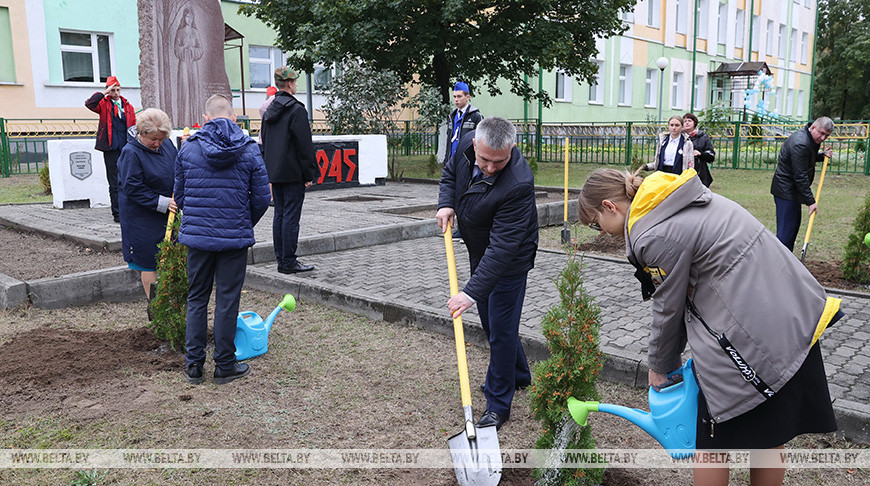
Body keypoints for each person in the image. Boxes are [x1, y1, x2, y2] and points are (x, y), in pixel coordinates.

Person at [578, 167, 842, 486]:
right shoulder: (668, 200)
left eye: (596, 224)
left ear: (610, 206)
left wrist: (660, 367)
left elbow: (668, 307)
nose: (602, 232)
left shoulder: (653, 231)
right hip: (786, 313)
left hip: (752, 333)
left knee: (711, 442)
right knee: (772, 433)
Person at [436, 117, 538, 431]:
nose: (490, 168)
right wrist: (445, 204)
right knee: (493, 323)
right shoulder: (467, 143)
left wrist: (469, 292)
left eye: (499, 161)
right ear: (476, 145)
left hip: (510, 259)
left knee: (501, 329)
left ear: (513, 149)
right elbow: (451, 173)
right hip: (479, 248)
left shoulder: (519, 183)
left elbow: (503, 248)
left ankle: (498, 404)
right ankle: (519, 375)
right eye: (484, 160)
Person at [174, 94, 271, 385]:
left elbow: (180, 195)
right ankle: (224, 365)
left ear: (205, 118)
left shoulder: (188, 149)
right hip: (233, 240)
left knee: (197, 299)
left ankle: (194, 366)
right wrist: (242, 224)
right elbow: (263, 198)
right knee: (227, 301)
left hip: (198, 239)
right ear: (233, 118)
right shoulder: (250, 149)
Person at [117, 108, 177, 314]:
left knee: (169, 257)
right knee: (148, 261)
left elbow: (177, 169)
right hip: (141, 217)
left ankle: (173, 303)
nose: (157, 144)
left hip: (168, 213)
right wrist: (162, 202)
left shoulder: (167, 145)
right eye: (153, 139)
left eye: (161, 139)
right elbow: (132, 187)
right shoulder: (130, 153)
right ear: (141, 133)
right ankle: (156, 307)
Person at [261, 66, 318, 274]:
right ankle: (289, 262)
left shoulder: (269, 111)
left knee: (280, 215)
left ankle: (281, 259)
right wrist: (309, 173)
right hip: (293, 173)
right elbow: (304, 146)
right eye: (295, 82)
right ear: (291, 84)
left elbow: (264, 142)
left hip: (275, 172)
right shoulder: (297, 110)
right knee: (291, 217)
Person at [770, 117, 834, 251]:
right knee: (786, 234)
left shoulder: (808, 138)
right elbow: (800, 176)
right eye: (821, 133)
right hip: (786, 191)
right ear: (813, 128)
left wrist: (821, 156)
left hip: (792, 192)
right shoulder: (801, 143)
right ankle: (779, 265)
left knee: (792, 229)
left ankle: (786, 263)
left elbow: (806, 157)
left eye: (826, 135)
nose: (823, 138)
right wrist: (811, 202)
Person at [85, 76, 136, 223]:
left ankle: (130, 210)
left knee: (129, 179)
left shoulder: (127, 106)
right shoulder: (103, 104)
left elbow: (132, 127)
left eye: (117, 90)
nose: (115, 93)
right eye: (112, 90)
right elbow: (90, 103)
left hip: (126, 147)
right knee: (114, 183)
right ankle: (117, 213)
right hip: (111, 148)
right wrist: (104, 92)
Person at [443, 81, 484, 166]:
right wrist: (446, 160)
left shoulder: (476, 116)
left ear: (467, 97)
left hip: (466, 162)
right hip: (451, 161)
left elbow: (481, 140)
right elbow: (449, 140)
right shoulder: (452, 116)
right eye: (454, 96)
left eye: (459, 96)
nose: (456, 99)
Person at [683, 113, 715, 187]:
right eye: (685, 121)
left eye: (689, 121)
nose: (687, 123)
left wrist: (700, 154)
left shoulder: (703, 137)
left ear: (695, 123)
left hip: (700, 171)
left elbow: (711, 156)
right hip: (683, 171)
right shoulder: (680, 137)